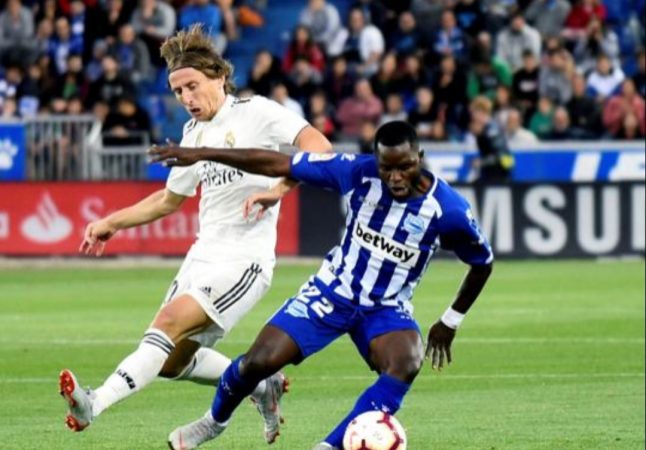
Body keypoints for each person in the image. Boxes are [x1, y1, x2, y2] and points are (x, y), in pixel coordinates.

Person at [57, 25, 332, 442]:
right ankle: (261, 385)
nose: (186, 98)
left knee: (166, 323)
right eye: (177, 91)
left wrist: (278, 189)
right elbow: (169, 200)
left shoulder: (256, 112)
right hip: (202, 256)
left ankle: (94, 403)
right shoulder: (192, 135)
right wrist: (111, 222)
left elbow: (320, 145)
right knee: (170, 362)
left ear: (219, 77)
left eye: (192, 86)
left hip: (245, 261)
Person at [148, 120, 494, 450]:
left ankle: (330, 445)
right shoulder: (358, 172)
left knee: (406, 361)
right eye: (387, 168)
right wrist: (203, 152)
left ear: (419, 158)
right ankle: (213, 422)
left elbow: (482, 263)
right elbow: (278, 163)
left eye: (404, 167)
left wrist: (450, 321)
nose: (395, 177)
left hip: (386, 308)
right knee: (257, 363)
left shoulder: (447, 210)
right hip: (330, 292)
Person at [470, 96, 515, 182]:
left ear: (481, 112)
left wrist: (481, 162)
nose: (473, 116)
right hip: (490, 173)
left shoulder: (493, 129)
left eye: (474, 112)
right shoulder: (484, 129)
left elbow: (500, 155)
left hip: (499, 175)